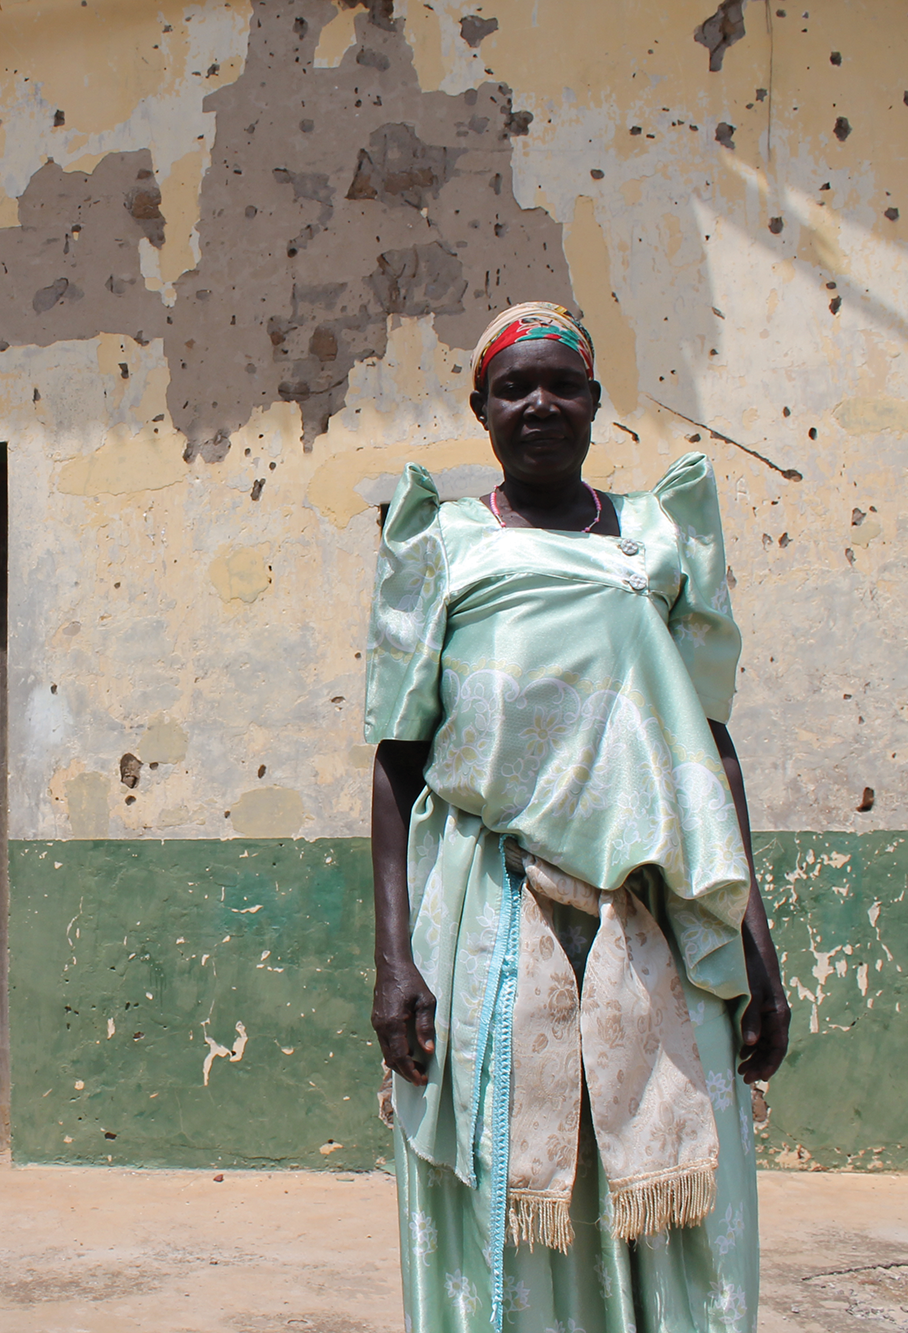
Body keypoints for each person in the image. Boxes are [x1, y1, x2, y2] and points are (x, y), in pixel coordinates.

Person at [364, 303, 792, 1333]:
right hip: (488, 914)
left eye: (561, 384)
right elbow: (395, 754)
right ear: (481, 410)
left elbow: (706, 741)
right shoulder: (440, 547)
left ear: (594, 403)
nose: (539, 404)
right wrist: (390, 959)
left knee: (675, 1184)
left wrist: (758, 947)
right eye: (514, 387)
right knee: (502, 1182)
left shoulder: (657, 534)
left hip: (652, 914)